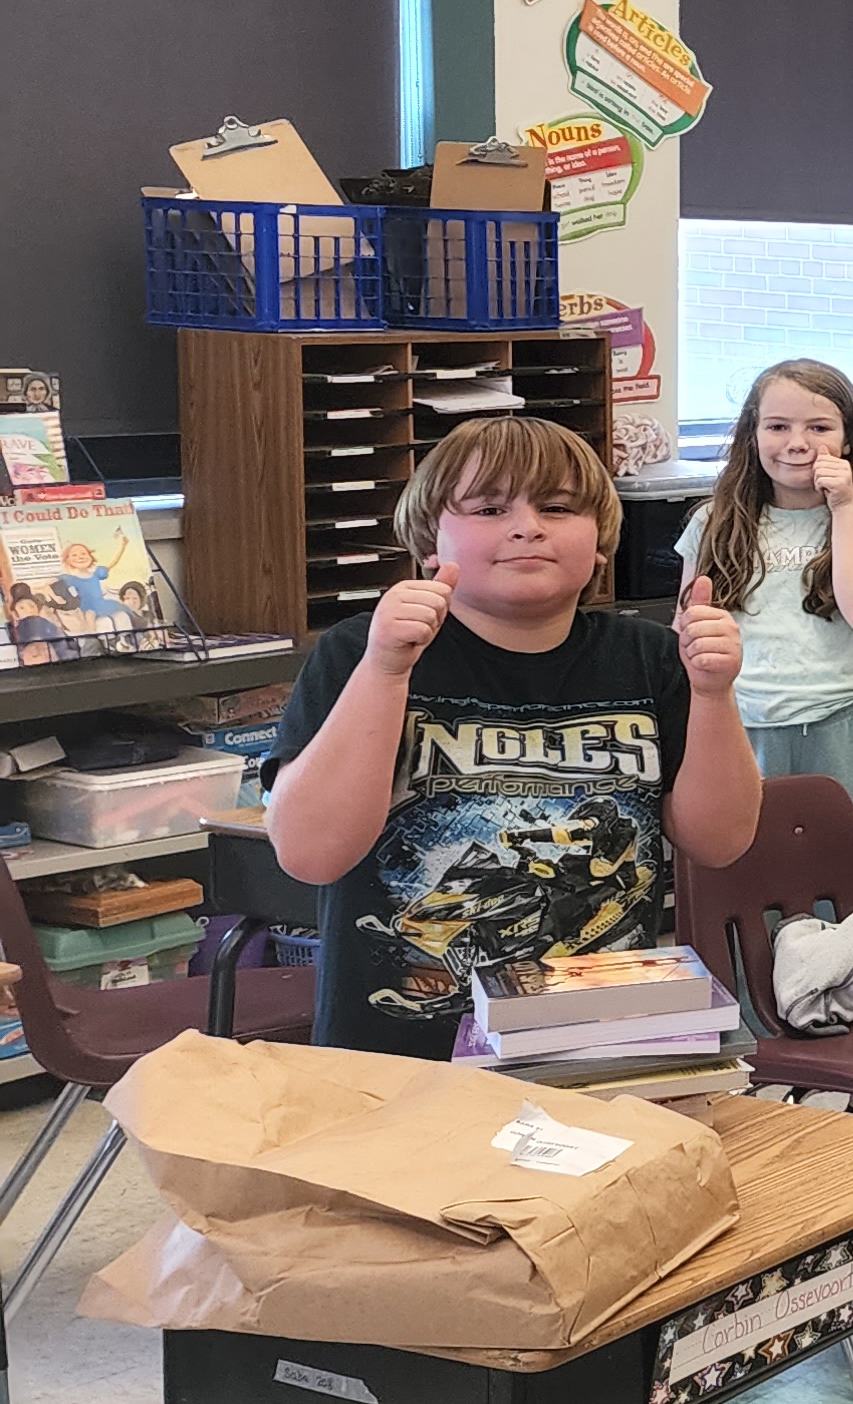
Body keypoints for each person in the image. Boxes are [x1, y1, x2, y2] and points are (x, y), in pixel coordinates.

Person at [265, 417, 758, 1059]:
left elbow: (720, 842)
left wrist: (715, 695)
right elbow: (310, 854)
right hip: (394, 1059)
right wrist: (386, 669)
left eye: (557, 507)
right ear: (428, 541)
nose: (527, 526)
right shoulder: (360, 652)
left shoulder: (652, 657)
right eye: (490, 508)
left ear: (601, 543)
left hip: (595, 1044)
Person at [677, 360, 853, 889]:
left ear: (850, 439)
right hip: (745, 728)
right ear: (752, 435)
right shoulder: (713, 522)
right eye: (778, 427)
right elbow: (690, 628)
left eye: (819, 428)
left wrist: (843, 505)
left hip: (847, 726)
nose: (797, 443)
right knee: (748, 886)